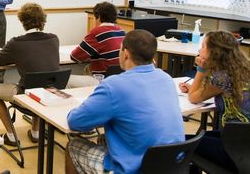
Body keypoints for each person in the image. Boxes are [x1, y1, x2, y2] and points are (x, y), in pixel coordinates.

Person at [66, 30, 185, 174]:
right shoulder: (166, 79)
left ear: (126, 53)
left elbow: (76, 121)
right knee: (105, 139)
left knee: (73, 146)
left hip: (136, 169)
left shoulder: (114, 85)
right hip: (170, 165)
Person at [0, 2, 60, 146]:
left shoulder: (16, 43)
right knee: (42, 81)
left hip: (28, 97)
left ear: (22, 21)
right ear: (43, 20)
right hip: (51, 95)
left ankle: (11, 135)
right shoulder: (54, 38)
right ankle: (36, 132)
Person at [179, 31, 250, 173]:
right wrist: (194, 88)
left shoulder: (222, 77)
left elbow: (193, 97)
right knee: (196, 137)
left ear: (215, 52)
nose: (199, 50)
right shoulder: (241, 70)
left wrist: (202, 68)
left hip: (236, 150)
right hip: (243, 140)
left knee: (183, 143)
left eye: (204, 46)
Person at [69, 1, 125, 87]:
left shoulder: (97, 33)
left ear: (98, 17)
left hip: (103, 80)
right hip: (119, 78)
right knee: (87, 68)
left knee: (67, 80)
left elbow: (75, 57)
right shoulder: (121, 31)